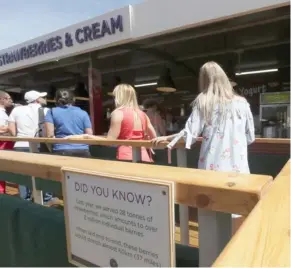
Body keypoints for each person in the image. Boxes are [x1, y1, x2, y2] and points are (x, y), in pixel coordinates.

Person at [152, 61, 255, 174]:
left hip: (212, 167)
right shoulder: (243, 103)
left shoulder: (204, 101)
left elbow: (189, 135)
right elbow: (250, 137)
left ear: (203, 79)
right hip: (240, 168)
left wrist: (167, 138)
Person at [67, 84, 157, 162]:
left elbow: (109, 141)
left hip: (126, 157)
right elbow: (154, 138)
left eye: (114, 96)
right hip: (144, 156)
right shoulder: (143, 114)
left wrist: (86, 136)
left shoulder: (117, 113)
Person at [8, 90, 50, 201]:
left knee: (23, 173)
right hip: (39, 145)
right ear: (37, 100)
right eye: (42, 97)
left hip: (20, 144)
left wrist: (18, 136)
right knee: (41, 172)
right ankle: (44, 197)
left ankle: (24, 197)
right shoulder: (46, 110)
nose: (44, 99)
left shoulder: (16, 110)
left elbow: (12, 129)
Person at [44, 88, 92, 157]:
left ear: (55, 99)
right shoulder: (83, 113)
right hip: (83, 150)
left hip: (61, 149)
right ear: (74, 99)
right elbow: (89, 134)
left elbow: (49, 135)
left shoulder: (51, 112)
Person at [0, 91, 14, 194]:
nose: (11, 101)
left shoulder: (3, 112)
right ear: (2, 99)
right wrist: (10, 128)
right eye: (8, 98)